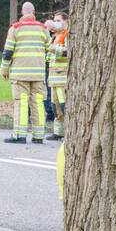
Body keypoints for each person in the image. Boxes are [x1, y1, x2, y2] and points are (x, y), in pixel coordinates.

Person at [0, 2, 49, 144]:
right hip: (38, 75)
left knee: (21, 103)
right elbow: (49, 50)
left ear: (22, 12)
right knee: (38, 103)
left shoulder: (15, 28)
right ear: (34, 12)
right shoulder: (43, 29)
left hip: (20, 74)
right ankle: (38, 136)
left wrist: (4, 69)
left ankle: (20, 135)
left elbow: (8, 52)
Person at [45, 12, 69, 140]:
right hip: (54, 78)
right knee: (56, 106)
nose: (56, 23)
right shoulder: (54, 36)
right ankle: (58, 132)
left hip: (62, 78)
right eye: (55, 21)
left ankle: (69, 133)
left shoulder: (67, 35)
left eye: (58, 21)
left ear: (66, 21)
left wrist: (53, 48)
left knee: (65, 106)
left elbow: (68, 52)